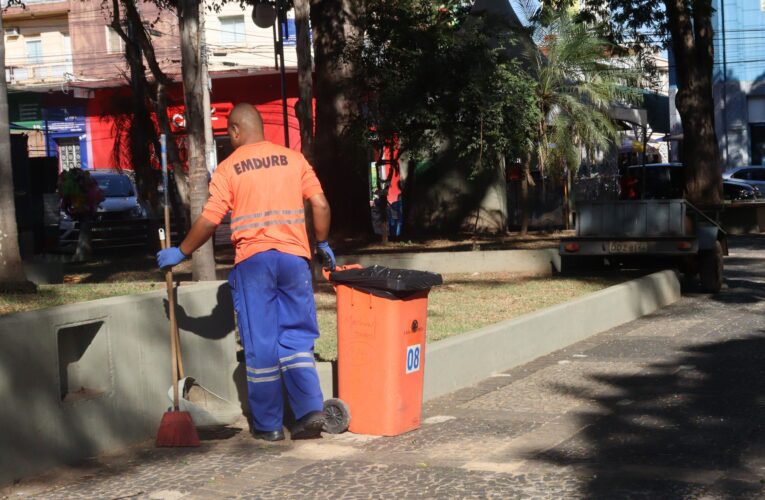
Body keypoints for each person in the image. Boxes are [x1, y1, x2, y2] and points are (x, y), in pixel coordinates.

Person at [157, 103, 336, 442]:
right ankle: (310, 411)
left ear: (236, 131)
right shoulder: (294, 159)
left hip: (254, 263)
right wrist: (323, 244)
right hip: (295, 261)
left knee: (261, 345)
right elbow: (321, 204)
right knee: (297, 340)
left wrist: (180, 252)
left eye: (228, 133)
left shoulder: (228, 169)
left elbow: (210, 220)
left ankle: (268, 426)